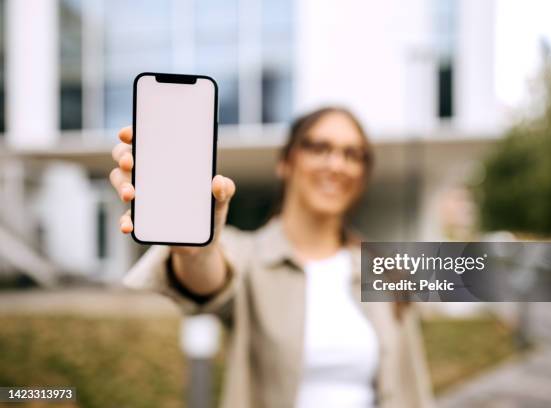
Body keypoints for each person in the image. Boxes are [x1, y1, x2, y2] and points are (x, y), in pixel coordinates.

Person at [109, 107, 435, 408]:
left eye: (353, 154)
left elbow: (412, 387)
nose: (337, 164)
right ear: (286, 162)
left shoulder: (384, 270)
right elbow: (208, 279)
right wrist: (194, 247)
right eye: (319, 147)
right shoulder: (248, 255)